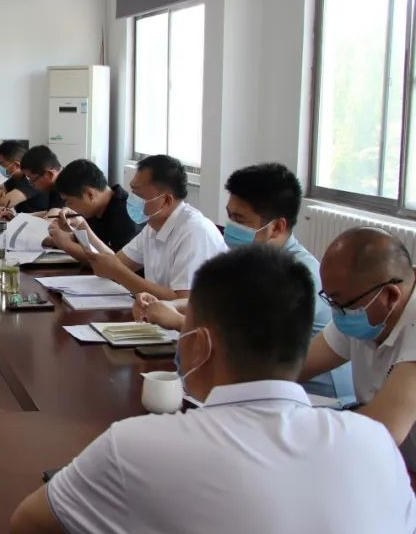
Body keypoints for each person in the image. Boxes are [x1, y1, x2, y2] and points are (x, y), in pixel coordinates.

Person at [9, 245, 416, 534]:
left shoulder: (134, 445)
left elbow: (28, 530)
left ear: (199, 344)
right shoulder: (374, 444)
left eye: (183, 330)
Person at [135, 163, 353, 400]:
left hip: (314, 397)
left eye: (240, 219)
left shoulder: (296, 273)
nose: (231, 228)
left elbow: (249, 344)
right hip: (265, 387)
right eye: (230, 217)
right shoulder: (253, 260)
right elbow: (222, 305)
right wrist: (170, 305)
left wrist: (179, 322)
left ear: (276, 227)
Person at [300, 227, 416, 471]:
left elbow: (384, 428)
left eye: (340, 303)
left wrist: (293, 432)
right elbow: (298, 365)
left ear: (389, 296)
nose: (336, 312)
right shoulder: (362, 309)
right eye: (330, 300)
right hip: (391, 461)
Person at [70, 154, 226, 300]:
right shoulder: (152, 227)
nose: (131, 199)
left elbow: (184, 301)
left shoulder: (195, 232)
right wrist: (83, 230)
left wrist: (118, 272)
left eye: (138, 195)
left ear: (166, 200)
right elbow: (117, 263)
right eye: (132, 191)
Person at [46, 159, 140, 256]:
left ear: (90, 194)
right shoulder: (95, 209)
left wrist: (66, 244)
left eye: (68, 202)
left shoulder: (126, 215)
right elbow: (87, 242)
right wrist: (58, 237)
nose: (67, 207)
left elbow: (113, 262)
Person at [0, 141, 50, 215]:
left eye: (2, 164)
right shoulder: (16, 177)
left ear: (16, 165)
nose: (0, 168)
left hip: (37, 221)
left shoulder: (31, 179)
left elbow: (3, 203)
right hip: (21, 219)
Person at [17, 145, 65, 214]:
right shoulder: (55, 184)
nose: (31, 184)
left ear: (49, 175)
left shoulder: (65, 187)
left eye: (32, 179)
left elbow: (53, 217)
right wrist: (17, 217)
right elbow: (50, 213)